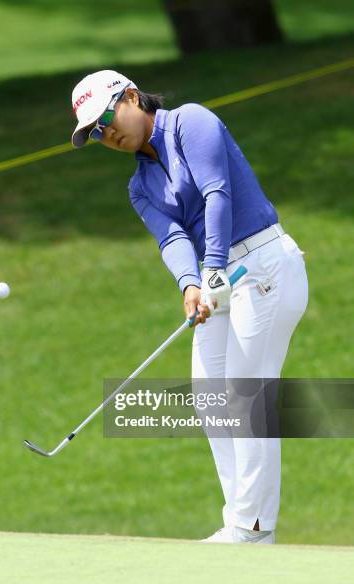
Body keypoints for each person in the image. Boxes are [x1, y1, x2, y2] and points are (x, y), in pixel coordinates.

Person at [70, 69, 308, 544]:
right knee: (208, 395)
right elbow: (173, 236)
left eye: (106, 118)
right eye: (94, 132)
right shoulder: (139, 187)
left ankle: (252, 528)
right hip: (217, 279)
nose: (106, 134)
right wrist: (189, 285)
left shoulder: (190, 122)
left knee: (244, 396)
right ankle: (240, 520)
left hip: (263, 266)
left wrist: (213, 266)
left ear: (132, 97)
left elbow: (216, 190)